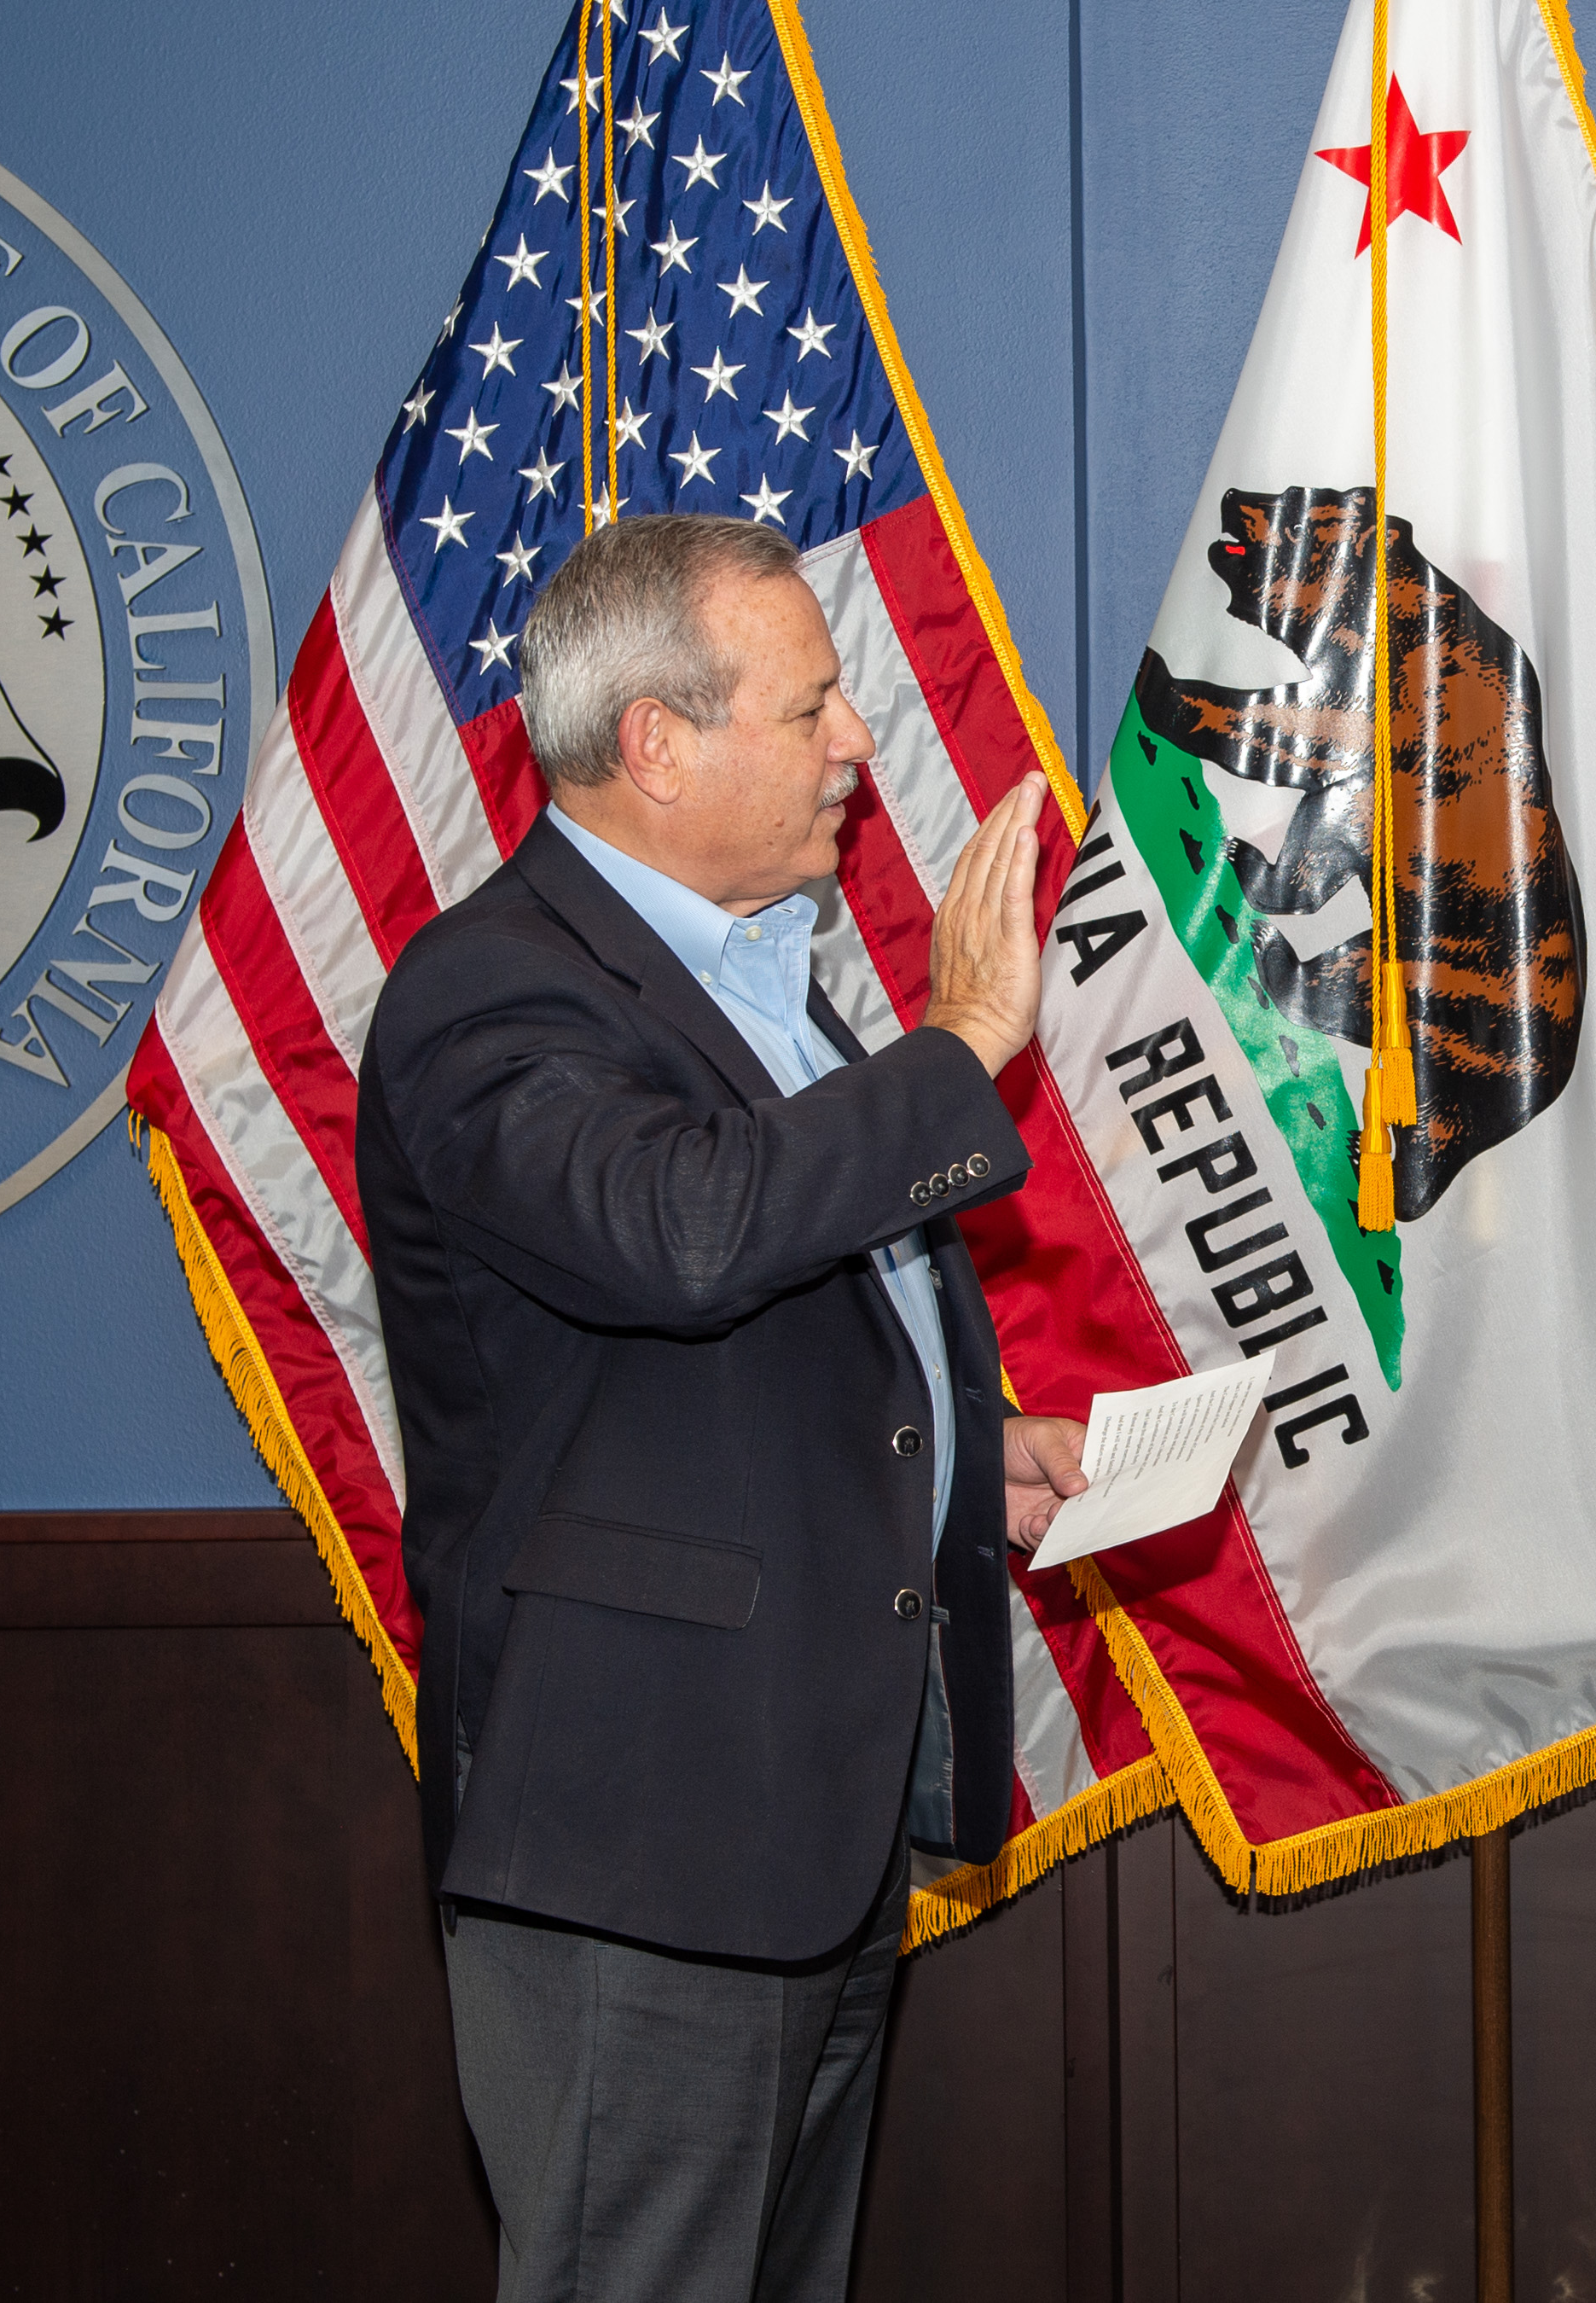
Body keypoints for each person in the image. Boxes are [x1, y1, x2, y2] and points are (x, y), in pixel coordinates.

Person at [357, 512, 1082, 2300]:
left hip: (801, 1830)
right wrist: (960, 1045)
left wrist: (965, 1459)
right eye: (813, 704)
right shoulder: (488, 992)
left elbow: (755, 1335)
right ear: (657, 743)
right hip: (638, 1846)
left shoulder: (762, 977)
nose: (859, 741)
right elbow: (681, 1236)